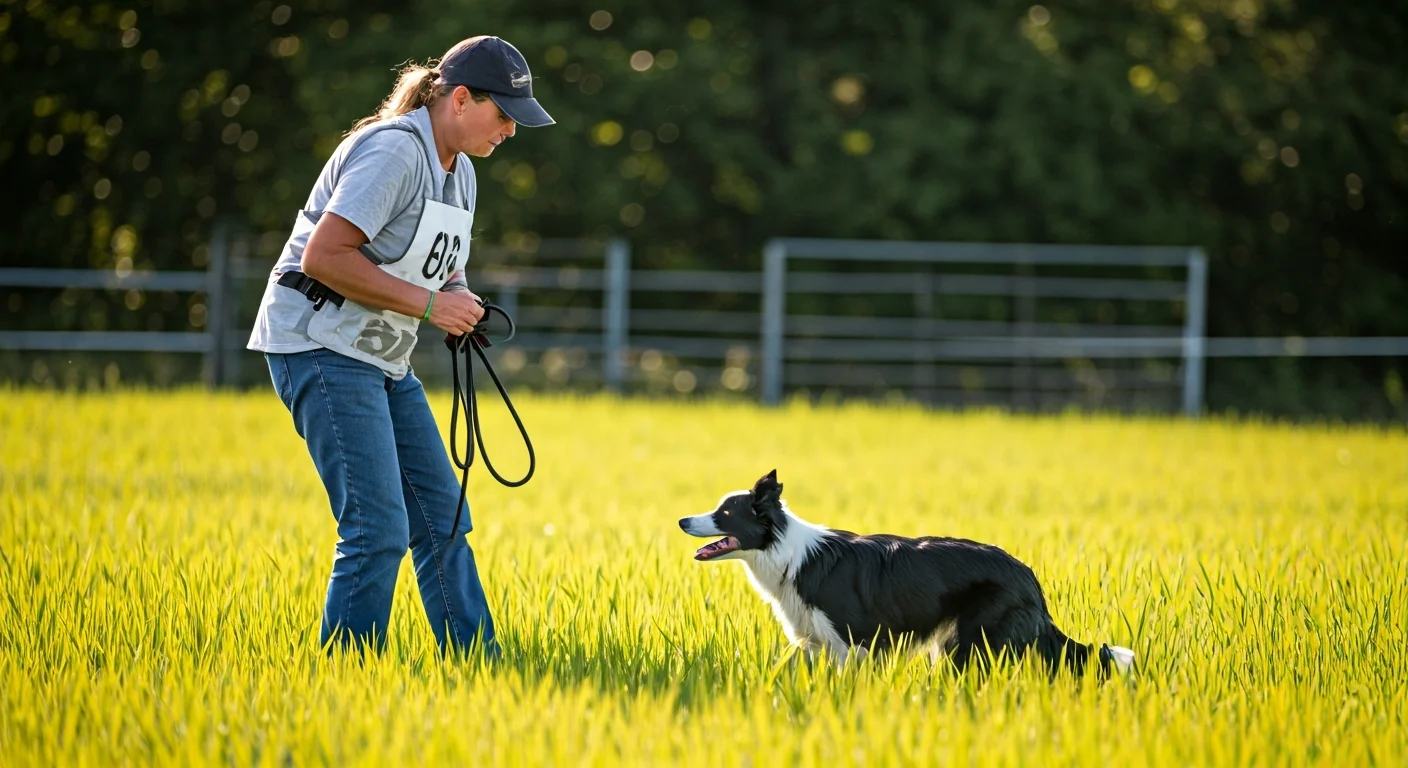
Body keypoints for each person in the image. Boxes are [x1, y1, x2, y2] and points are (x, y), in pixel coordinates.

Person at [246, 36, 554, 658]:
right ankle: (349, 672)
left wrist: (459, 301)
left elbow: (442, 266)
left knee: (443, 515)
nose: (510, 132)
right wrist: (435, 307)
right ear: (461, 100)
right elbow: (324, 256)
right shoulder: (392, 152)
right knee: (377, 526)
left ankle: (476, 663)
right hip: (318, 345)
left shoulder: (460, 169)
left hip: (380, 354)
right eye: (504, 116)